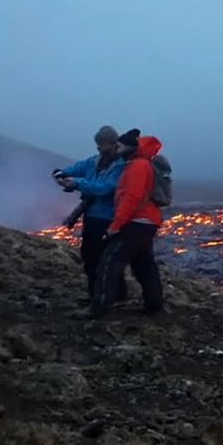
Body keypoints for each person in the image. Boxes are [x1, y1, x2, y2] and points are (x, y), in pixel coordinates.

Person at [91, 129, 165, 318]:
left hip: (137, 222)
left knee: (109, 263)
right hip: (148, 221)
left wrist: (115, 226)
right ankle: (154, 304)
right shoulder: (142, 164)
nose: (117, 148)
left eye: (120, 145)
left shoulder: (137, 166)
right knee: (143, 264)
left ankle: (99, 308)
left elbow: (131, 198)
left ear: (130, 147)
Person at [53, 126, 128, 302]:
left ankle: (112, 296)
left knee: (104, 259)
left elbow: (105, 188)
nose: (98, 147)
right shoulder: (95, 161)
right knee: (90, 256)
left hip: (108, 218)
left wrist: (77, 183)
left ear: (112, 143)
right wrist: (61, 173)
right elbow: (77, 168)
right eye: (98, 144)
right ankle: (97, 294)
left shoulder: (120, 166)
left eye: (102, 144)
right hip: (92, 217)